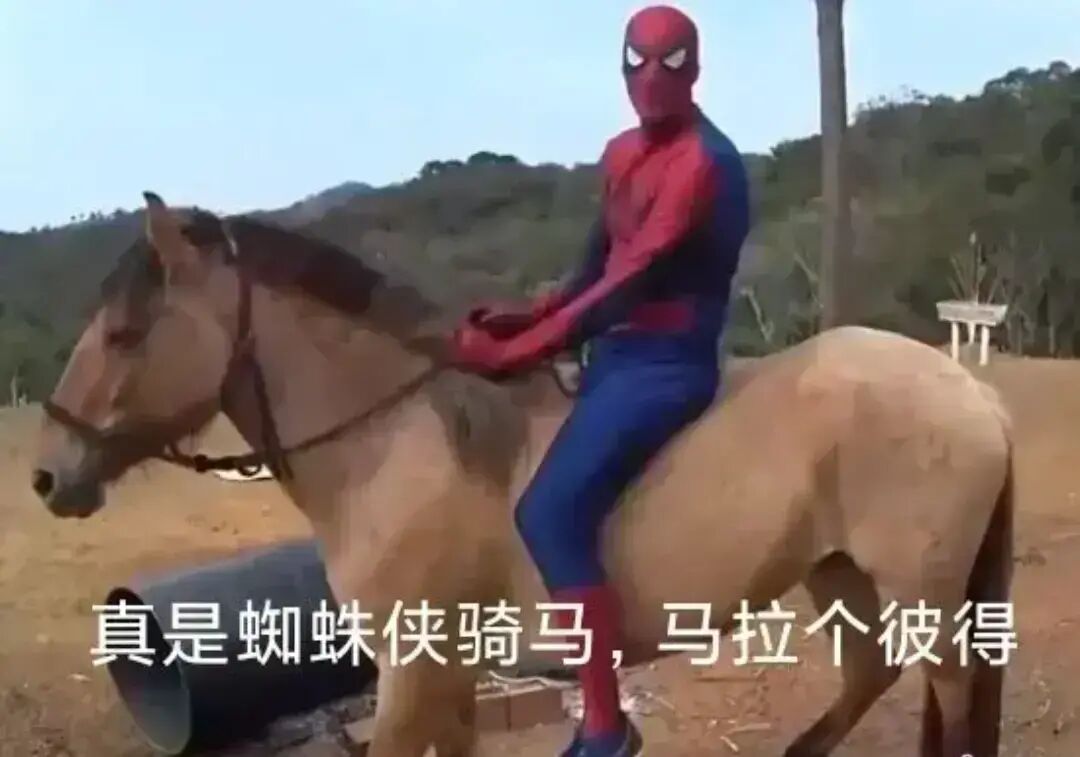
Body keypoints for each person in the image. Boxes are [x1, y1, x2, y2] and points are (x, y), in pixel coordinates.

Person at [450, 5, 750, 755]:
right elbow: (597, 263)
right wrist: (530, 314)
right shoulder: (620, 153)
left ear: (695, 69)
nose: (650, 78)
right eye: (636, 61)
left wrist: (517, 353)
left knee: (548, 513)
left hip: (666, 361)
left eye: (669, 62)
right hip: (614, 354)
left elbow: (631, 281)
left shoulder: (706, 164)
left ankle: (606, 725)